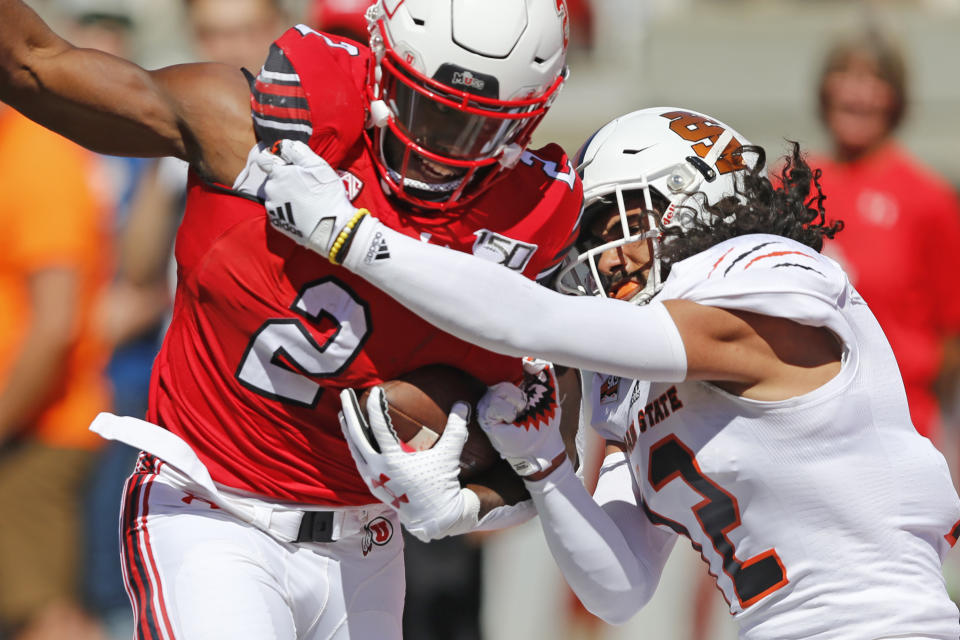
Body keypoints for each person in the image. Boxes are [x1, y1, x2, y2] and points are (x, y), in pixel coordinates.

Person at [260, 106, 960, 637]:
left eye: (603, 226)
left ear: (687, 198)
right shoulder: (640, 376)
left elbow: (533, 320)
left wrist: (353, 237)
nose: (594, 258)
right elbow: (618, 586)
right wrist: (541, 471)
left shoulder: (770, 275)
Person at [0, 0, 581, 637]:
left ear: (528, 117)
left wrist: (466, 505)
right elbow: (35, 64)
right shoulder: (249, 128)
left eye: (476, 124)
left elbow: (553, 451)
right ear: (383, 68)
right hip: (212, 510)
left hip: (367, 543)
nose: (441, 147)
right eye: (427, 106)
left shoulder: (532, 224)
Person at [809, 28, 960, 447]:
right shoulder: (790, 185)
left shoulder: (928, 199)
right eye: (844, 75)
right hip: (802, 425)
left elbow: (951, 334)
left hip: (900, 427)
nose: (858, 93)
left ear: (896, 98)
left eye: (874, 79)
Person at [0, 103, 112, 640]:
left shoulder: (36, 156)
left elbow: (55, 322)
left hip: (38, 429)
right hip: (23, 427)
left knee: (44, 617)